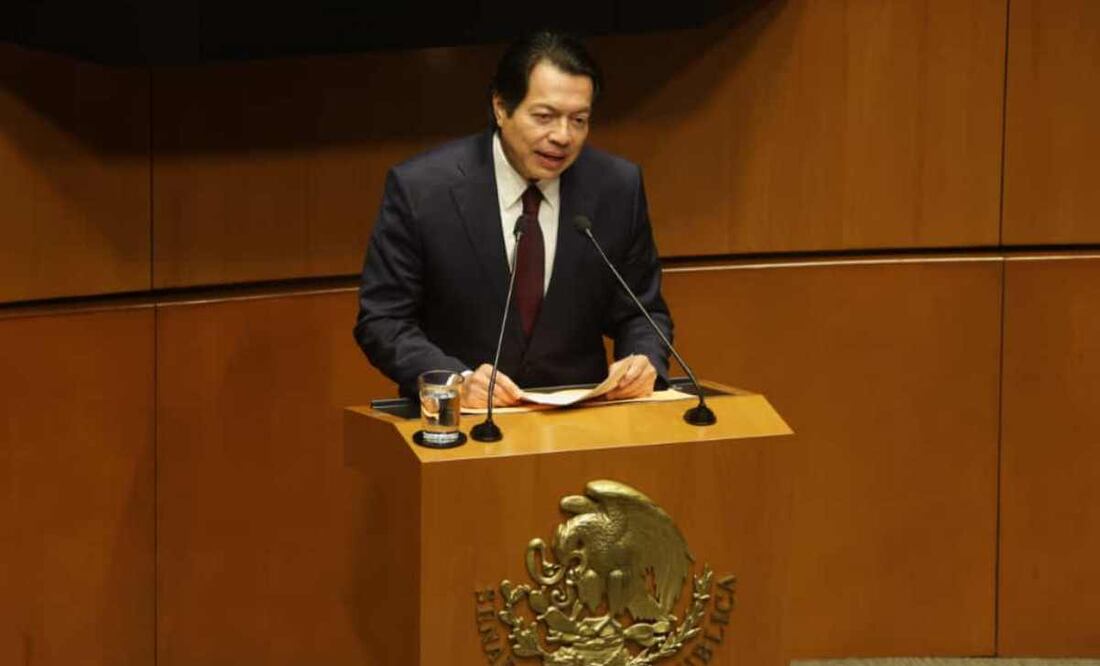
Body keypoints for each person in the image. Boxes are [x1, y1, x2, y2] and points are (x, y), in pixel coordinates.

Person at [354, 31, 673, 408]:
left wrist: (643, 361)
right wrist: (454, 380)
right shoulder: (422, 190)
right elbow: (383, 320)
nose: (562, 136)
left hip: (581, 426)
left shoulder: (616, 188)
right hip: (462, 425)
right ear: (501, 108)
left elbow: (642, 312)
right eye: (545, 117)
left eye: (579, 120)